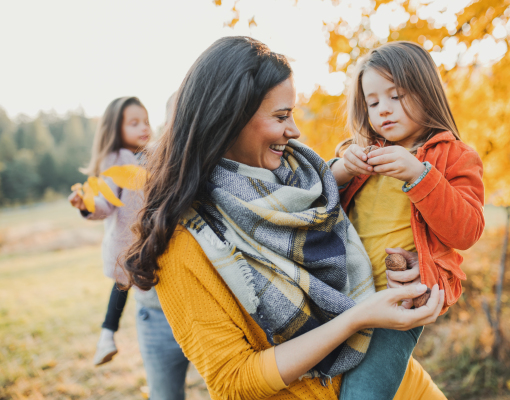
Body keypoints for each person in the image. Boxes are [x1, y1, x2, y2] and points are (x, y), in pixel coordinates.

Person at [124, 36, 448, 400]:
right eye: (281, 116)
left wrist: (412, 263)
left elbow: (373, 238)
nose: (294, 131)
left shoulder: (304, 180)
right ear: (230, 119)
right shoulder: (184, 240)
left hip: (401, 386)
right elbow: (233, 381)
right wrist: (357, 318)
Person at [329, 41, 485, 399]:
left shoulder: (456, 157)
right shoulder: (364, 154)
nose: (383, 109)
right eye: (373, 102)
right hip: (344, 294)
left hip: (400, 302)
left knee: (364, 392)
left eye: (396, 96)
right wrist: (340, 170)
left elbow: (467, 230)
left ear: (425, 91)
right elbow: (317, 200)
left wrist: (420, 175)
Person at [69, 96, 150, 366]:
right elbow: (105, 204)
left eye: (146, 121)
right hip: (127, 243)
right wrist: (87, 205)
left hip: (152, 241)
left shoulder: (152, 156)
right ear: (116, 128)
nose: (144, 128)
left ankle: (109, 335)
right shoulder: (115, 160)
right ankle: (106, 336)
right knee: (122, 285)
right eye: (134, 123)